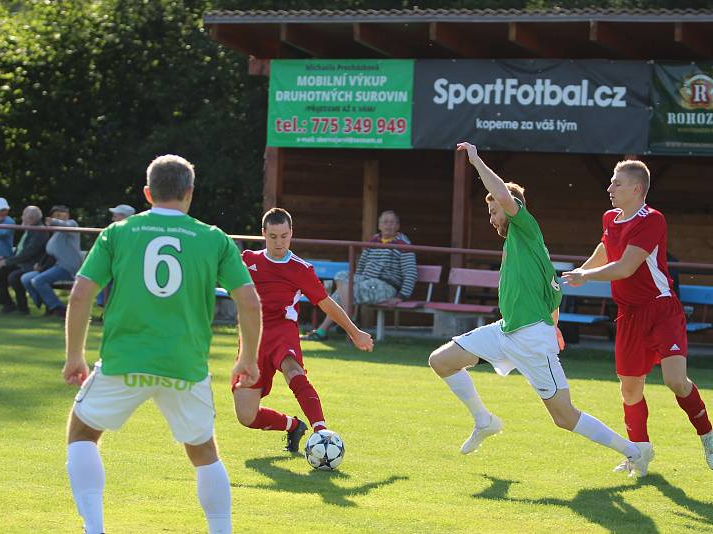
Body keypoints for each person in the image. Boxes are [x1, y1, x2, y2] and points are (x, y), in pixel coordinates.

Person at [62, 154, 261, 534]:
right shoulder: (213, 238)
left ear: (148, 193)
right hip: (184, 365)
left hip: (124, 360)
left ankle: (95, 529)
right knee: (204, 453)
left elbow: (80, 295)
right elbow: (249, 301)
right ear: (190, 192)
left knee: (83, 433)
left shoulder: (119, 232)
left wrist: (75, 355)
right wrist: (246, 359)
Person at [428, 142, 653, 477]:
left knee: (563, 417)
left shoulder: (526, 228)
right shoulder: (521, 245)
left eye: (493, 212)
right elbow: (554, 302)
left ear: (512, 206)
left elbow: (504, 196)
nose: (491, 218)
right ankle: (484, 421)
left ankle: (634, 452)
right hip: (508, 331)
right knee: (441, 361)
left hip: (532, 340)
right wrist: (555, 327)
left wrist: (475, 161)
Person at [562, 160, 713, 472]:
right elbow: (606, 249)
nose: (610, 188)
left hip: (661, 310)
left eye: (616, 183)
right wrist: (580, 270)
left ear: (636, 189)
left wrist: (586, 276)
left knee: (675, 381)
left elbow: (625, 267)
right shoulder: (610, 217)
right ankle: (640, 455)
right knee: (630, 389)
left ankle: (707, 434)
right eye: (611, 182)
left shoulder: (652, 220)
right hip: (629, 315)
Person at [233, 208, 374, 452]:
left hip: (282, 330)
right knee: (246, 416)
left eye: (284, 236)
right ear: (263, 234)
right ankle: (293, 426)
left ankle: (322, 432)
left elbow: (327, 304)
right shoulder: (248, 260)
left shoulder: (301, 269)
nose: (279, 242)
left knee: (292, 368)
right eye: (273, 236)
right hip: (251, 338)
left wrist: (355, 332)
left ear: (291, 234)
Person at [302, 209, 417, 341]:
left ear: (398, 226)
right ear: (379, 225)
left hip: (385, 285)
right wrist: (356, 280)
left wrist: (401, 297)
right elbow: (361, 267)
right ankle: (350, 319)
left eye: (392, 222)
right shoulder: (373, 241)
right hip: (365, 280)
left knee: (339, 295)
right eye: (385, 222)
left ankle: (322, 331)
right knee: (341, 276)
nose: (388, 225)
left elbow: (411, 273)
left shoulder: (403, 245)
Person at [22, 205, 82, 318]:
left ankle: (58, 308)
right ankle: (48, 304)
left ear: (67, 215)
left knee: (37, 281)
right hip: (57, 266)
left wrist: (53, 221)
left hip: (68, 268)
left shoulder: (72, 225)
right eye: (55, 216)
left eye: (61, 215)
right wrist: (41, 264)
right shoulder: (56, 232)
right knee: (26, 278)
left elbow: (65, 225)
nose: (58, 218)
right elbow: (51, 253)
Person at [0, 205, 49, 314]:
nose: (22, 217)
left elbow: (28, 253)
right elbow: (20, 251)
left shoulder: (40, 231)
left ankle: (23, 308)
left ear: (30, 219)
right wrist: (6, 259)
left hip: (32, 265)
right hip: (21, 263)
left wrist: (7, 262)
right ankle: (8, 304)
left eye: (24, 215)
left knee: (14, 277)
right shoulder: (29, 229)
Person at [94, 204, 136, 309]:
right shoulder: (122, 231)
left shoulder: (127, 233)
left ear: (124, 217)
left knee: (110, 281)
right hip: (119, 268)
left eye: (115, 216)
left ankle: (105, 304)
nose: (112, 219)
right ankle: (104, 304)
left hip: (126, 270)